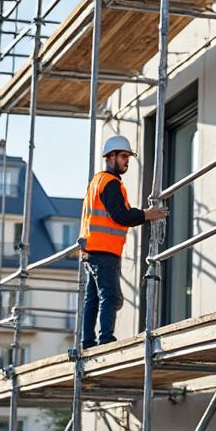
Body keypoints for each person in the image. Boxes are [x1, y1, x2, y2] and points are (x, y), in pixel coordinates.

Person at [80, 135, 167, 348]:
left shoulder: (97, 181)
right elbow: (120, 215)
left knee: (92, 298)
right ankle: (105, 339)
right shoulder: (110, 183)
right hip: (104, 250)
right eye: (123, 157)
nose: (127, 161)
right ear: (110, 157)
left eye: (127, 157)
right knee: (109, 297)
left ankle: (88, 342)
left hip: (92, 249)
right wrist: (148, 214)